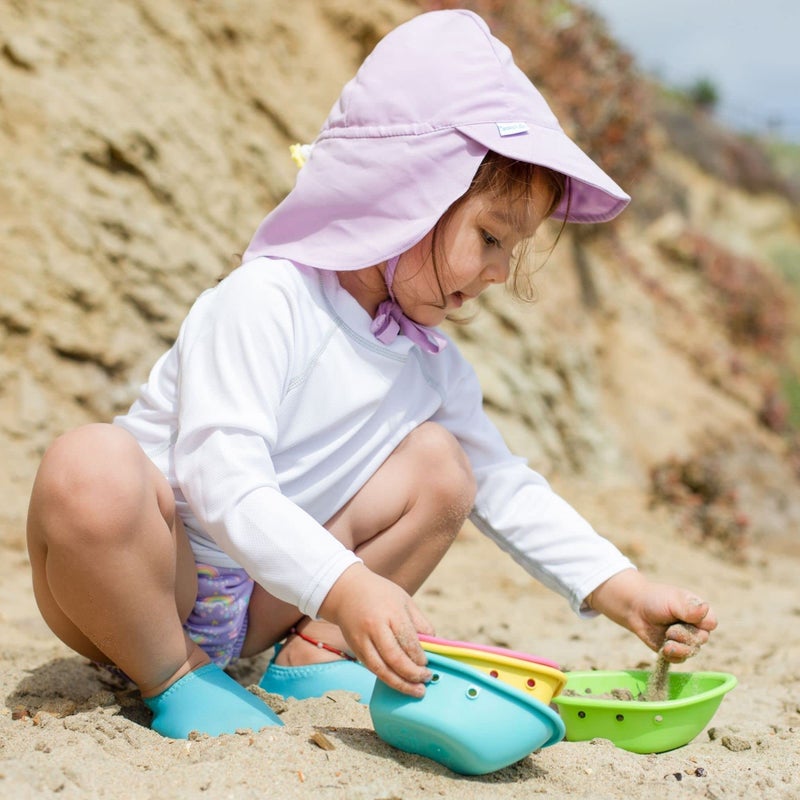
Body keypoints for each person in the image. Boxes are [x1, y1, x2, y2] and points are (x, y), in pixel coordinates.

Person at [26, 9, 716, 740]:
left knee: (444, 470)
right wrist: (351, 585)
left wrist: (621, 588)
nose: (496, 273)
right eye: (490, 237)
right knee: (87, 467)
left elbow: (507, 485)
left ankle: (316, 648)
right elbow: (220, 473)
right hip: (147, 581)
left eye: (511, 252)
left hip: (267, 599)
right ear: (407, 190)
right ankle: (173, 672)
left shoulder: (428, 362)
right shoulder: (268, 299)